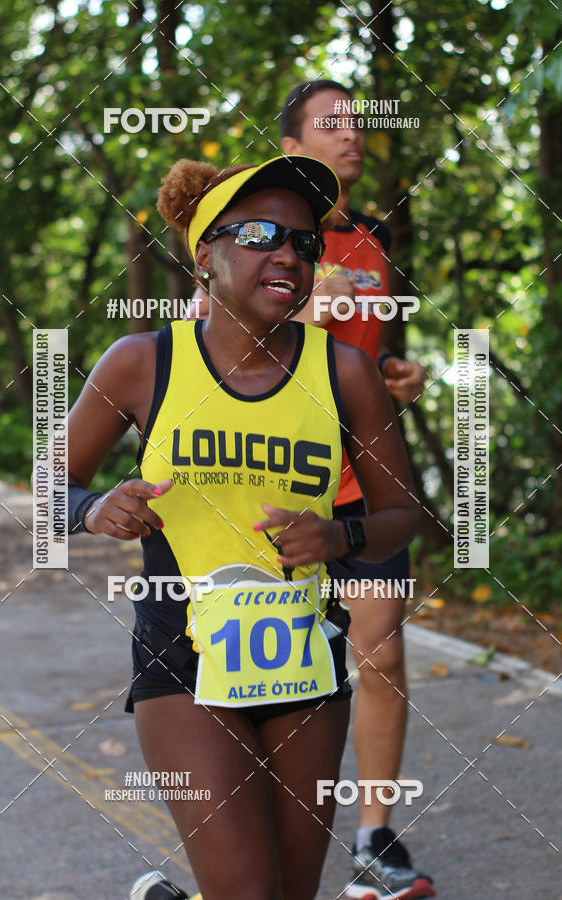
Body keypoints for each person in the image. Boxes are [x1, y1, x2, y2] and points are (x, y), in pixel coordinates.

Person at [66, 153, 419, 900]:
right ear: (206, 256)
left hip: (305, 664)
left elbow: (410, 515)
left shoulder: (344, 373)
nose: (288, 253)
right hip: (183, 665)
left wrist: (339, 539)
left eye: (303, 242)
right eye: (261, 234)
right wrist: (90, 508)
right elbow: (47, 481)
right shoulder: (143, 364)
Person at [280, 81, 435, 900]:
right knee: (280, 671)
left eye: (358, 124)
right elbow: (216, 345)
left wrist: (392, 377)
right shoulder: (263, 231)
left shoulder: (369, 239)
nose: (353, 136)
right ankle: (248, 839)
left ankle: (375, 839)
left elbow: (362, 358)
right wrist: (306, 312)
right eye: (331, 125)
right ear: (293, 145)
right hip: (274, 479)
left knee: (382, 649)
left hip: (363, 479)